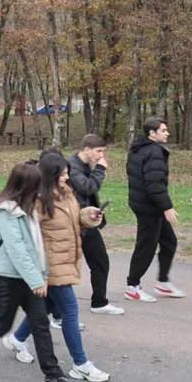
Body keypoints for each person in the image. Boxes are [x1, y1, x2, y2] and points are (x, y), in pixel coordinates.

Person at [0, 162, 82, 382]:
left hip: (29, 278)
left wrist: (43, 276)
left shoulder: (29, 209)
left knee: (41, 324)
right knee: (1, 324)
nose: (41, 190)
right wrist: (36, 280)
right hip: (8, 279)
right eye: (37, 185)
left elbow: (37, 248)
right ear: (26, 186)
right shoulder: (6, 212)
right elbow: (18, 251)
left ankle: (52, 376)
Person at [0, 155, 109, 382]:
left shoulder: (66, 193)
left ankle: (17, 340)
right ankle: (80, 365)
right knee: (70, 309)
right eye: (62, 174)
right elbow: (26, 234)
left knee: (47, 306)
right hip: (50, 265)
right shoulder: (37, 200)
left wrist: (88, 215)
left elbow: (70, 220)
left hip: (66, 259)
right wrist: (35, 271)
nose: (67, 177)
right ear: (50, 175)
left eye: (67, 173)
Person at [125, 117, 184, 302]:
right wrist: (166, 206)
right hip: (149, 206)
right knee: (146, 246)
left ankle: (163, 281)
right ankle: (132, 286)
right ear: (152, 133)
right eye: (164, 130)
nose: (167, 133)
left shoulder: (138, 148)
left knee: (169, 242)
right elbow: (154, 183)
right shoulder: (154, 151)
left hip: (144, 203)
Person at [67, 135, 124, 315]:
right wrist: (100, 169)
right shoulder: (72, 167)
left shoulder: (82, 165)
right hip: (70, 224)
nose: (101, 156)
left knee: (100, 262)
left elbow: (85, 194)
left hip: (84, 222)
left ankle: (99, 302)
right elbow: (88, 187)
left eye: (102, 152)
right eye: (98, 151)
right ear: (86, 150)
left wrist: (93, 210)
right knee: (61, 268)